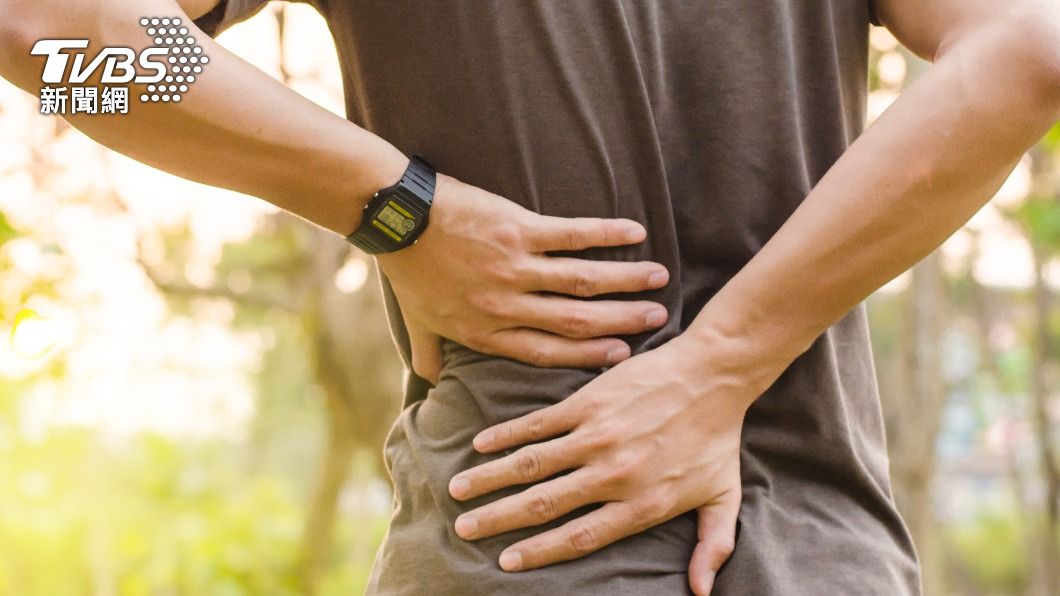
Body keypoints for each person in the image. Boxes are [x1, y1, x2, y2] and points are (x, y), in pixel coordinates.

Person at [2, 0, 1057, 594]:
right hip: (830, 562)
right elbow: (1029, 49)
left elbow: (40, 33)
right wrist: (726, 356)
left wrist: (395, 205)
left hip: (514, 551)